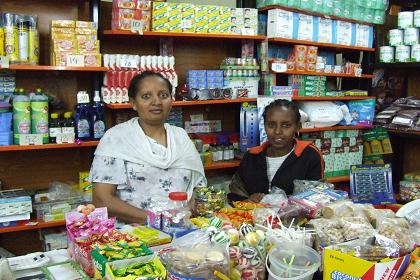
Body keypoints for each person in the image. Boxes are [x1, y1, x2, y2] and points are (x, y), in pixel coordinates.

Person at [90, 71, 206, 223]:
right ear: (133, 102)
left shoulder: (181, 137)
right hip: (133, 238)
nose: (156, 101)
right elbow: (102, 200)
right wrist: (157, 220)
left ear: (171, 100)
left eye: (163, 95)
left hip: (182, 231)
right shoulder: (116, 138)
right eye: (146, 96)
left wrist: (192, 208)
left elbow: (199, 187)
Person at [228, 99, 324, 203]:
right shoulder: (252, 156)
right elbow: (235, 194)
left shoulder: (309, 155)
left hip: (296, 218)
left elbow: (317, 197)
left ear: (298, 127)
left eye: (286, 125)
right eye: (271, 125)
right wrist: (248, 201)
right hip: (255, 217)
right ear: (264, 126)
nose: (277, 131)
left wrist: (284, 205)